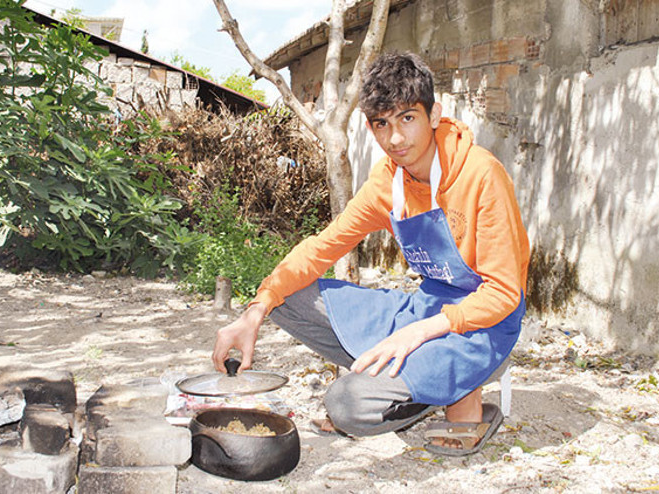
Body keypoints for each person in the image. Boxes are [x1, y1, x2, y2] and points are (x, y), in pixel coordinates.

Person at [212, 52, 529, 456]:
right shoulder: (387, 182)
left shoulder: (481, 174)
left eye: (407, 118)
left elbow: (504, 294)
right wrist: (254, 311)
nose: (395, 139)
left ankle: (438, 392)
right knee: (286, 296)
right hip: (426, 309)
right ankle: (409, 387)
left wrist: (416, 334)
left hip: (485, 325)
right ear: (370, 126)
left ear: (434, 115)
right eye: (382, 124)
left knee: (346, 404)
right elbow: (324, 245)